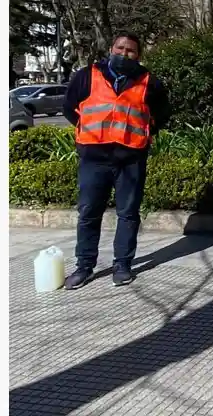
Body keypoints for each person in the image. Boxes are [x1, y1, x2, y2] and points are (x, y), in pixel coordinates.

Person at [60, 34, 172, 290]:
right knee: (88, 213)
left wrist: (144, 133)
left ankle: (122, 265)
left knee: (128, 214)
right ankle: (84, 266)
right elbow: (69, 108)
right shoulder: (87, 76)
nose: (124, 54)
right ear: (111, 49)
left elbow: (162, 114)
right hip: (94, 158)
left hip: (130, 160)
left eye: (130, 50)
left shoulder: (149, 82)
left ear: (138, 55)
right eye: (120, 48)